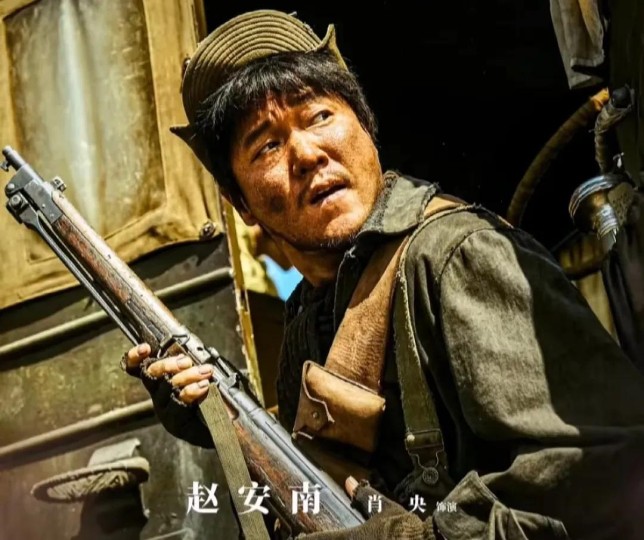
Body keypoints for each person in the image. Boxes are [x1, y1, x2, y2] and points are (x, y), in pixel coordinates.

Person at [121, 9, 644, 540]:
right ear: (240, 203)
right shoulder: (308, 314)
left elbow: (601, 475)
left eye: (319, 116)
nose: (307, 153)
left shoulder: (454, 257)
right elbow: (326, 497)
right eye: (267, 146)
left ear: (366, 128)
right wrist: (226, 422)